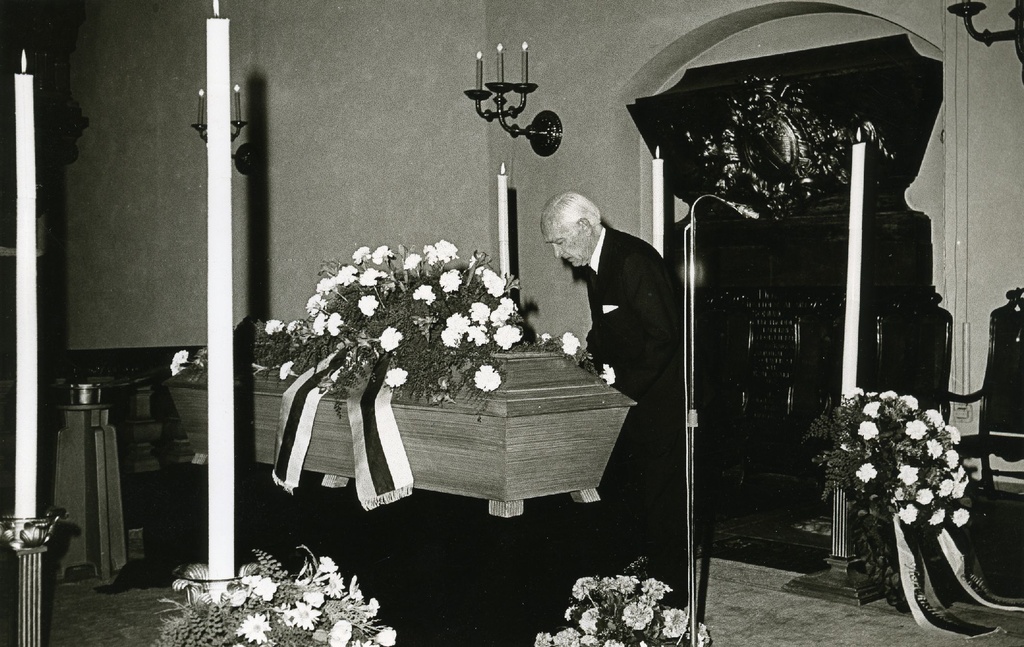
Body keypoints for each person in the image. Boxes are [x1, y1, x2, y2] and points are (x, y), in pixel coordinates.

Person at [540, 191, 688, 595]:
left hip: (659, 407)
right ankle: (635, 593)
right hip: (629, 405)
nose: (557, 254)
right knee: (631, 507)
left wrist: (619, 392)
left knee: (663, 514)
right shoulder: (596, 263)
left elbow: (664, 337)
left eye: (560, 241)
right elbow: (606, 331)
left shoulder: (632, 260)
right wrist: (579, 364)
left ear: (585, 227)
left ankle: (670, 606)